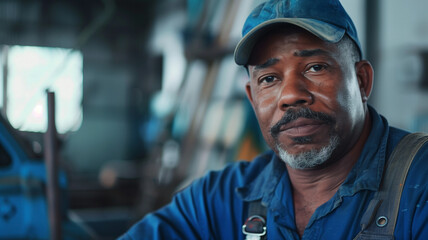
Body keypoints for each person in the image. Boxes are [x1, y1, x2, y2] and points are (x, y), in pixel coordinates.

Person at [120, 0, 428, 239]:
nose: (290, 95)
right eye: (268, 78)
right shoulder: (222, 198)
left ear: (361, 81)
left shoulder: (420, 183)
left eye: (315, 67)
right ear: (252, 99)